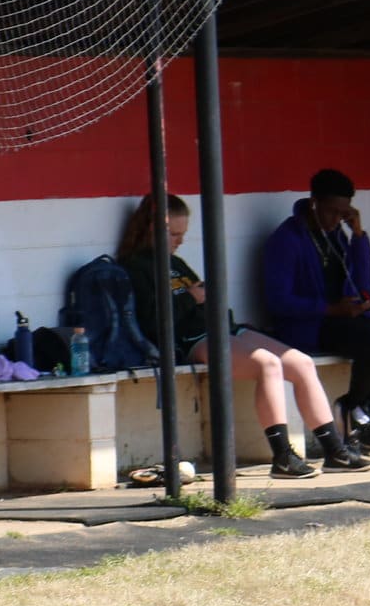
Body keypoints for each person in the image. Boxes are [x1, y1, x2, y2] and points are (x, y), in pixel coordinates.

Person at [120, 194, 342, 478]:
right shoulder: (135, 267)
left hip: (221, 328)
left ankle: (334, 449)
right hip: (192, 338)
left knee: (301, 363)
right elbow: (152, 321)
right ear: (151, 229)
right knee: (268, 364)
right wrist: (191, 297)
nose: (179, 241)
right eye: (174, 234)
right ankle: (282, 455)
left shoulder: (176, 264)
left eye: (183, 234)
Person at [260, 170, 370, 457]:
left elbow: (363, 282)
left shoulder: (339, 235)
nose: (335, 219)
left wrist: (358, 236)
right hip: (313, 325)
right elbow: (279, 302)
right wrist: (333, 309)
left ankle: (361, 410)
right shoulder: (287, 239)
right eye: (331, 211)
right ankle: (352, 411)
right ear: (313, 203)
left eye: (343, 213)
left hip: (351, 317)